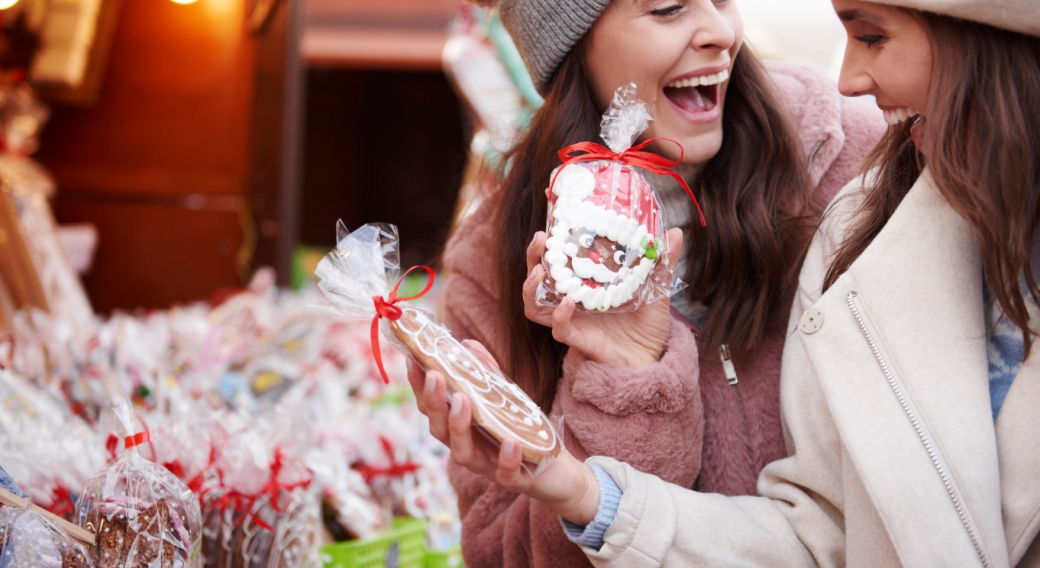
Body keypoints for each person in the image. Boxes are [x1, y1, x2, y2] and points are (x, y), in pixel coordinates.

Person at [424, 0, 1040, 566]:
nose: (721, 32)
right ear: (572, 44)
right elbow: (504, 551)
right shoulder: (499, 261)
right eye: (668, 7)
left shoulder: (863, 167)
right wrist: (623, 394)